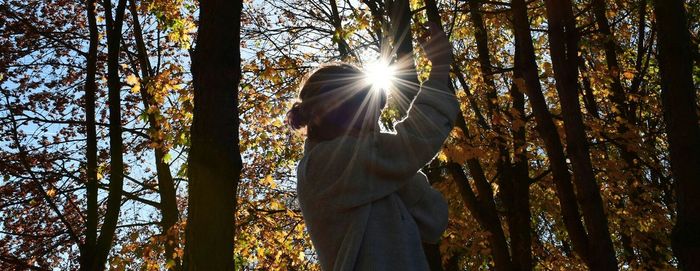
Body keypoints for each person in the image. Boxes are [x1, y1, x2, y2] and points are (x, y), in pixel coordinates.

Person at [287, 23, 458, 270]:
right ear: (334, 111)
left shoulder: (370, 170)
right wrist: (440, 69)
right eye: (369, 108)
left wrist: (399, 174)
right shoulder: (320, 166)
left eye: (377, 110)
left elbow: (434, 219)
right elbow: (409, 144)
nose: (375, 119)